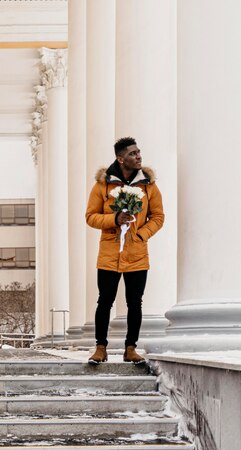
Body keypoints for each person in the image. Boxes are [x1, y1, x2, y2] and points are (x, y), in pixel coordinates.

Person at [85, 137, 164, 365]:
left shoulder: (148, 185)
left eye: (139, 152)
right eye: (132, 154)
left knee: (135, 302)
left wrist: (141, 234)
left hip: (137, 253)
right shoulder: (103, 185)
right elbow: (90, 216)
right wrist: (114, 219)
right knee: (105, 301)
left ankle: (131, 348)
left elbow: (158, 216)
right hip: (109, 253)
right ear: (121, 159)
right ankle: (101, 348)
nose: (138, 156)